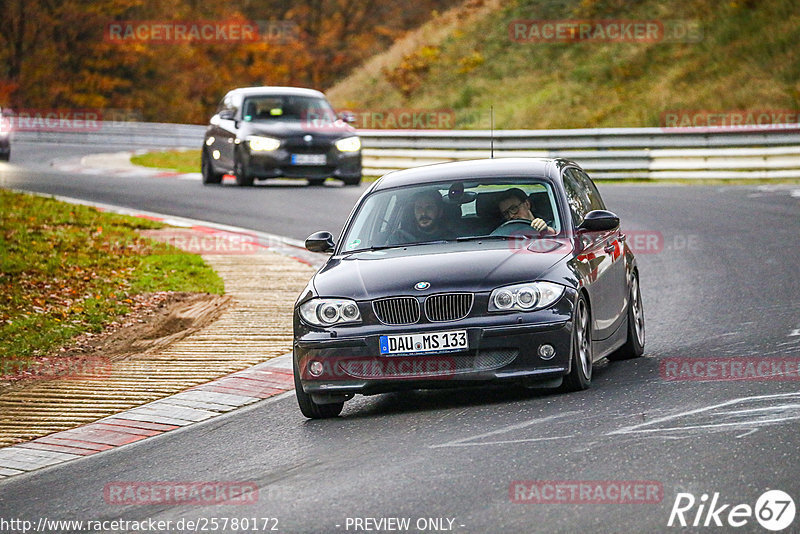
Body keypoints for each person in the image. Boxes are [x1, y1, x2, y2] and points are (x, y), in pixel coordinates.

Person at [389, 190, 456, 244]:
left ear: (440, 212)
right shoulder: (400, 238)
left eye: (429, 208)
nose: (423, 213)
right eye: (419, 208)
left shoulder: (453, 239)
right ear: (414, 212)